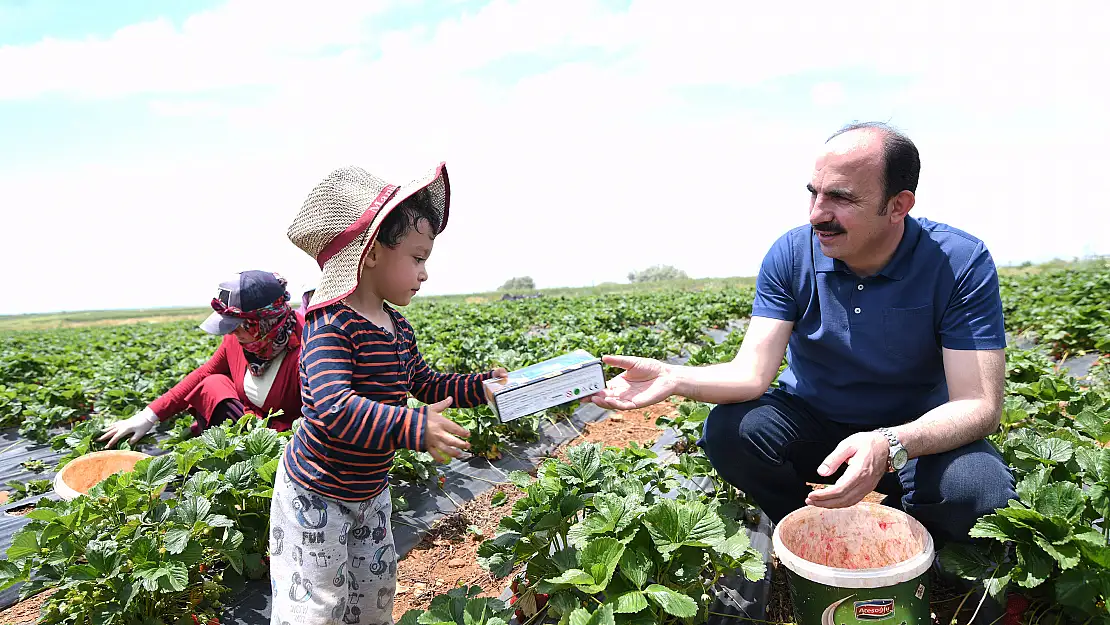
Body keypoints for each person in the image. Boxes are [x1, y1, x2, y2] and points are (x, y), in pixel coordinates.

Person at [589, 122, 1017, 550]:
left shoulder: (958, 260)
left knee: (979, 490)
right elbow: (752, 375)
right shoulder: (793, 253)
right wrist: (674, 377)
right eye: (814, 193)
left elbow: (979, 405)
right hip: (819, 426)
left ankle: (908, 538)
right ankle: (810, 530)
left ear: (898, 205)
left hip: (915, 436)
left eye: (841, 198)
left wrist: (891, 443)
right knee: (732, 430)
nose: (816, 213)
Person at [271, 163, 508, 625]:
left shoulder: (396, 327)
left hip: (370, 492)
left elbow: (426, 383)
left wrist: (480, 386)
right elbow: (332, 407)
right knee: (315, 610)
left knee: (373, 600)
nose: (425, 274)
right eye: (418, 258)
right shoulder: (330, 326)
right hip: (316, 495)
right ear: (374, 252)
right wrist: (412, 425)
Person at [99, 271, 306, 447]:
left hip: (288, 441)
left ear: (266, 321)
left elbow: (322, 421)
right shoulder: (239, 341)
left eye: (238, 325)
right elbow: (203, 374)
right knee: (212, 384)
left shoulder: (309, 347)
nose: (232, 333)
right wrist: (148, 416)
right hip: (254, 421)